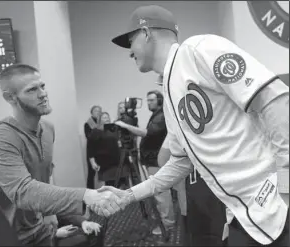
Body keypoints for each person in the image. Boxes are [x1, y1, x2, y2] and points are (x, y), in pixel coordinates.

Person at [95, 5, 289, 247]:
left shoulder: (199, 49)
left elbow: (275, 99)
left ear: (146, 33)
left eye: (131, 41)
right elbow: (179, 162)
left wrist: (286, 184)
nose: (130, 52)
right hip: (244, 214)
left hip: (278, 205)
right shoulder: (169, 89)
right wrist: (129, 195)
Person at [0, 64, 122, 246]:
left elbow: (45, 179)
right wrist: (85, 195)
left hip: (41, 229)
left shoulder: (48, 129)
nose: (43, 93)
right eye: (32, 90)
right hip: (10, 237)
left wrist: (58, 215)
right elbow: (22, 191)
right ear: (10, 97)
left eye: (42, 86)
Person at [115, 90, 175, 235]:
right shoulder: (156, 115)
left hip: (156, 159)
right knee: (158, 191)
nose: (148, 103)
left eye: (152, 100)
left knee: (160, 191)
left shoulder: (160, 116)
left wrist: (125, 125)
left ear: (159, 101)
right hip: (152, 158)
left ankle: (167, 224)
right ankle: (162, 217)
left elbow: (146, 133)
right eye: (147, 100)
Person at [88, 111, 129, 188]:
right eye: (104, 117)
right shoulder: (95, 132)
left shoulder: (114, 130)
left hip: (119, 163)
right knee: (111, 186)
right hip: (106, 165)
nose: (106, 118)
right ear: (99, 119)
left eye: (107, 117)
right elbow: (90, 149)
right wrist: (93, 163)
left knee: (123, 185)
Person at [84, 105, 102, 189]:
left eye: (99, 111)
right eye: (96, 111)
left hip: (102, 152)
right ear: (91, 113)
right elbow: (89, 137)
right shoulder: (87, 124)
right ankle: (89, 196)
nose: (98, 112)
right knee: (91, 175)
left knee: (106, 173)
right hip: (92, 153)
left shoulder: (103, 123)